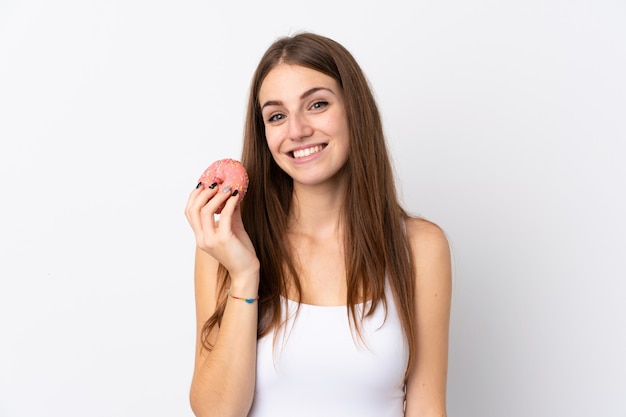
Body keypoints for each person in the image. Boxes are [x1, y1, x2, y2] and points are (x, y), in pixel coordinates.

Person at [184, 32, 452, 417]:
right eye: (277, 116)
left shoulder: (420, 247)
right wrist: (244, 275)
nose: (296, 130)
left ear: (354, 110)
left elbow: (428, 407)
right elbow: (217, 412)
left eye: (317, 104)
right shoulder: (226, 244)